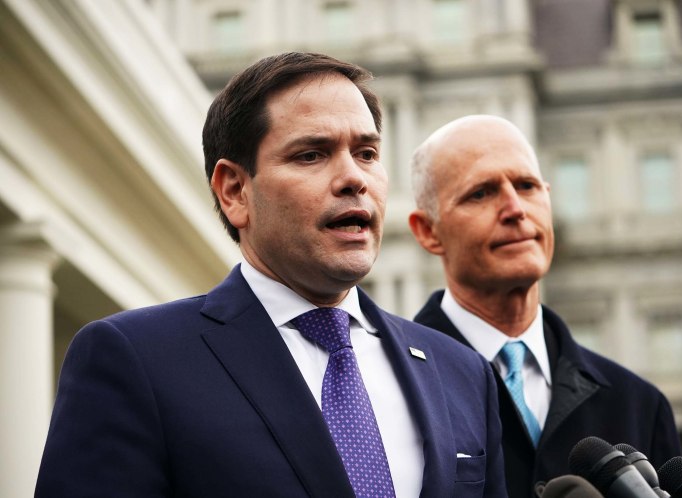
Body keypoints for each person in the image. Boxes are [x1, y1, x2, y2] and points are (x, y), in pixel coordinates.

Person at [35, 54, 505, 498]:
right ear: (235, 191)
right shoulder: (134, 360)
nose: (353, 178)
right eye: (311, 155)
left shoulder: (463, 373)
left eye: (366, 152)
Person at [408, 115, 682, 498]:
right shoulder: (390, 388)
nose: (515, 208)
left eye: (527, 185)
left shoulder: (638, 404)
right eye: (481, 193)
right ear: (427, 231)